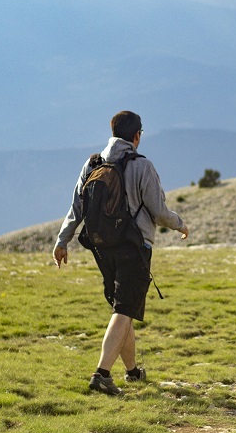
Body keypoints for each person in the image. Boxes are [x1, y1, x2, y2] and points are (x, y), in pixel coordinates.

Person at [53, 111, 189, 395]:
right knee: (125, 309)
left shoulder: (92, 164)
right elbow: (158, 210)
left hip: (101, 246)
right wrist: (180, 224)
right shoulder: (142, 166)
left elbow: (76, 208)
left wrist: (62, 241)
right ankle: (102, 374)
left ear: (112, 132)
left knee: (122, 308)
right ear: (137, 135)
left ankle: (133, 372)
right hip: (134, 246)